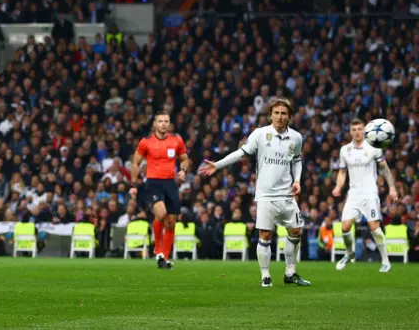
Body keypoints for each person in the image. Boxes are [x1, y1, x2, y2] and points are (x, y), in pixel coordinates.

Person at [199, 99, 310, 287]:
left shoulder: (296, 138)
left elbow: (297, 160)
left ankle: (290, 273)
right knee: (265, 235)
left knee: (296, 231)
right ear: (270, 115)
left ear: (289, 116)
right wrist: (218, 165)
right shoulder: (260, 134)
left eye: (283, 113)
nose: (279, 117)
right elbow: (241, 153)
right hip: (266, 194)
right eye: (276, 113)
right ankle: (265, 276)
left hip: (286, 194)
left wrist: (297, 180)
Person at [332, 118, 398, 272]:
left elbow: (384, 169)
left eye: (360, 129)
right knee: (345, 227)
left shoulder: (374, 147)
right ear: (350, 132)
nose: (357, 132)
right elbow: (342, 172)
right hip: (353, 193)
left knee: (374, 227)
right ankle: (349, 254)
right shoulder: (345, 150)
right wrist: (338, 187)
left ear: (365, 130)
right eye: (354, 130)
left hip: (369, 193)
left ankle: (385, 261)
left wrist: (392, 187)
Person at [130, 111, 189, 269]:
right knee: (161, 214)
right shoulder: (146, 142)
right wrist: (133, 185)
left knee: (171, 222)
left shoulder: (176, 140)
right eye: (160, 121)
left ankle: (164, 257)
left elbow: (184, 159)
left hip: (171, 183)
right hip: (153, 182)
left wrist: (183, 170)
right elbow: (135, 163)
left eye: (166, 121)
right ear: (154, 124)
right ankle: (158, 250)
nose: (163, 124)